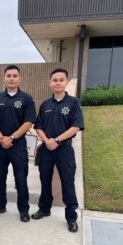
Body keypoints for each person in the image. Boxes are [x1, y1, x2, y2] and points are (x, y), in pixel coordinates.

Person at [31, 68, 84, 232]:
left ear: (66, 82)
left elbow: (76, 126)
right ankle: (44, 209)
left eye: (61, 80)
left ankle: (71, 218)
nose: (58, 83)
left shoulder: (73, 103)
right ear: (50, 83)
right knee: (44, 180)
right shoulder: (45, 104)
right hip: (47, 148)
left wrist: (57, 140)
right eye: (55, 80)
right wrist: (47, 141)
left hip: (64, 149)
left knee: (68, 182)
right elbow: (38, 126)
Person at [0, 65, 36, 222]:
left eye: (15, 76)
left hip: (19, 146)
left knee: (21, 178)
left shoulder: (27, 99)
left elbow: (28, 122)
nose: (12, 78)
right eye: (8, 75)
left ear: (19, 78)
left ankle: (23, 209)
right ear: (4, 78)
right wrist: (2, 138)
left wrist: (12, 138)